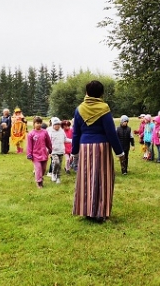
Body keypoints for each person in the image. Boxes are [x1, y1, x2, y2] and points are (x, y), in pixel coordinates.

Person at [71, 80, 125, 222]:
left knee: (86, 179)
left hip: (84, 147)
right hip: (102, 147)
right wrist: (119, 152)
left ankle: (87, 211)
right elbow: (111, 133)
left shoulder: (79, 109)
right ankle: (100, 212)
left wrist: (74, 151)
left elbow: (75, 133)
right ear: (101, 93)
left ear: (87, 92)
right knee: (103, 179)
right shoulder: (104, 108)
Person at [27, 117, 52, 189]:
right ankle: (39, 183)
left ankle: (40, 178)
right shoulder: (31, 134)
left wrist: (50, 149)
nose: (39, 124)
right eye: (37, 123)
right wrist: (29, 154)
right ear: (34, 124)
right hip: (35, 155)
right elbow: (29, 145)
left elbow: (48, 142)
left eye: (40, 123)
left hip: (44, 154)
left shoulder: (45, 132)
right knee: (38, 169)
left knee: (43, 169)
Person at [47, 117, 71, 184]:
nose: (57, 125)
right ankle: (53, 173)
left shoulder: (62, 131)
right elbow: (48, 142)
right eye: (55, 124)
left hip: (61, 151)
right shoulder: (50, 132)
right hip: (54, 151)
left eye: (58, 124)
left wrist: (72, 141)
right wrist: (48, 150)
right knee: (56, 162)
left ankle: (58, 178)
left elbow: (65, 139)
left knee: (59, 165)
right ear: (53, 125)